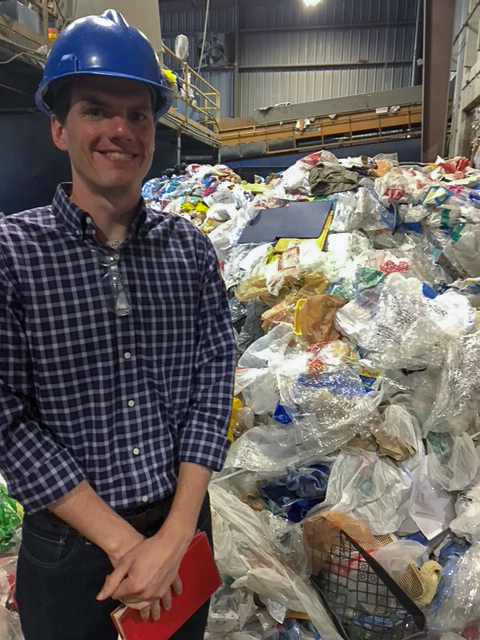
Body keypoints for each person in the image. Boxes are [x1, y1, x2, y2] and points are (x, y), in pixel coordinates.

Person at [0, 10, 236, 640]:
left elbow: (214, 377)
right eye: (96, 109)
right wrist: (130, 545)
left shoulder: (188, 249)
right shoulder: (13, 255)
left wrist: (178, 531)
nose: (120, 131)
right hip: (72, 550)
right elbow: (6, 416)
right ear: (57, 127)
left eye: (138, 115)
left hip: (181, 525)